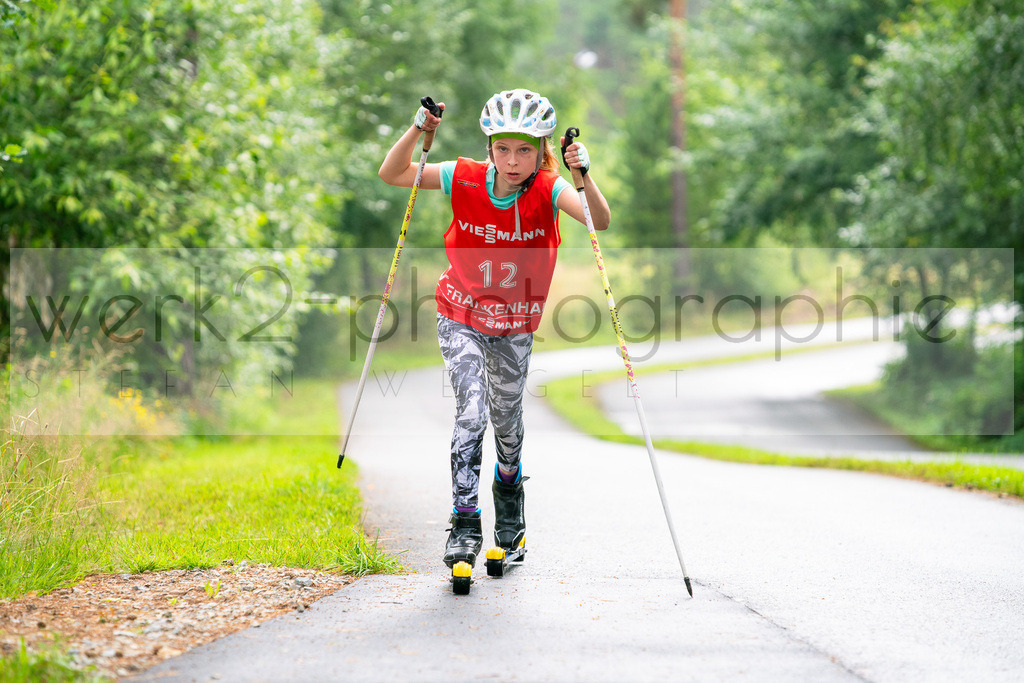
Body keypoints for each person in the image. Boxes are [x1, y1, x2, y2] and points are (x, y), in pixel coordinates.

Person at [378, 88, 611, 569]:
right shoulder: (461, 177)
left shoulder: (549, 188)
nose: (512, 160)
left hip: (514, 327)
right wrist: (419, 129)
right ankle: (464, 524)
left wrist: (582, 175)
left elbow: (599, 221)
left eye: (525, 150)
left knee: (506, 424)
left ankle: (511, 502)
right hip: (459, 312)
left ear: (542, 149)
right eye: (502, 148)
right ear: (489, 147)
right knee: (471, 412)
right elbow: (393, 173)